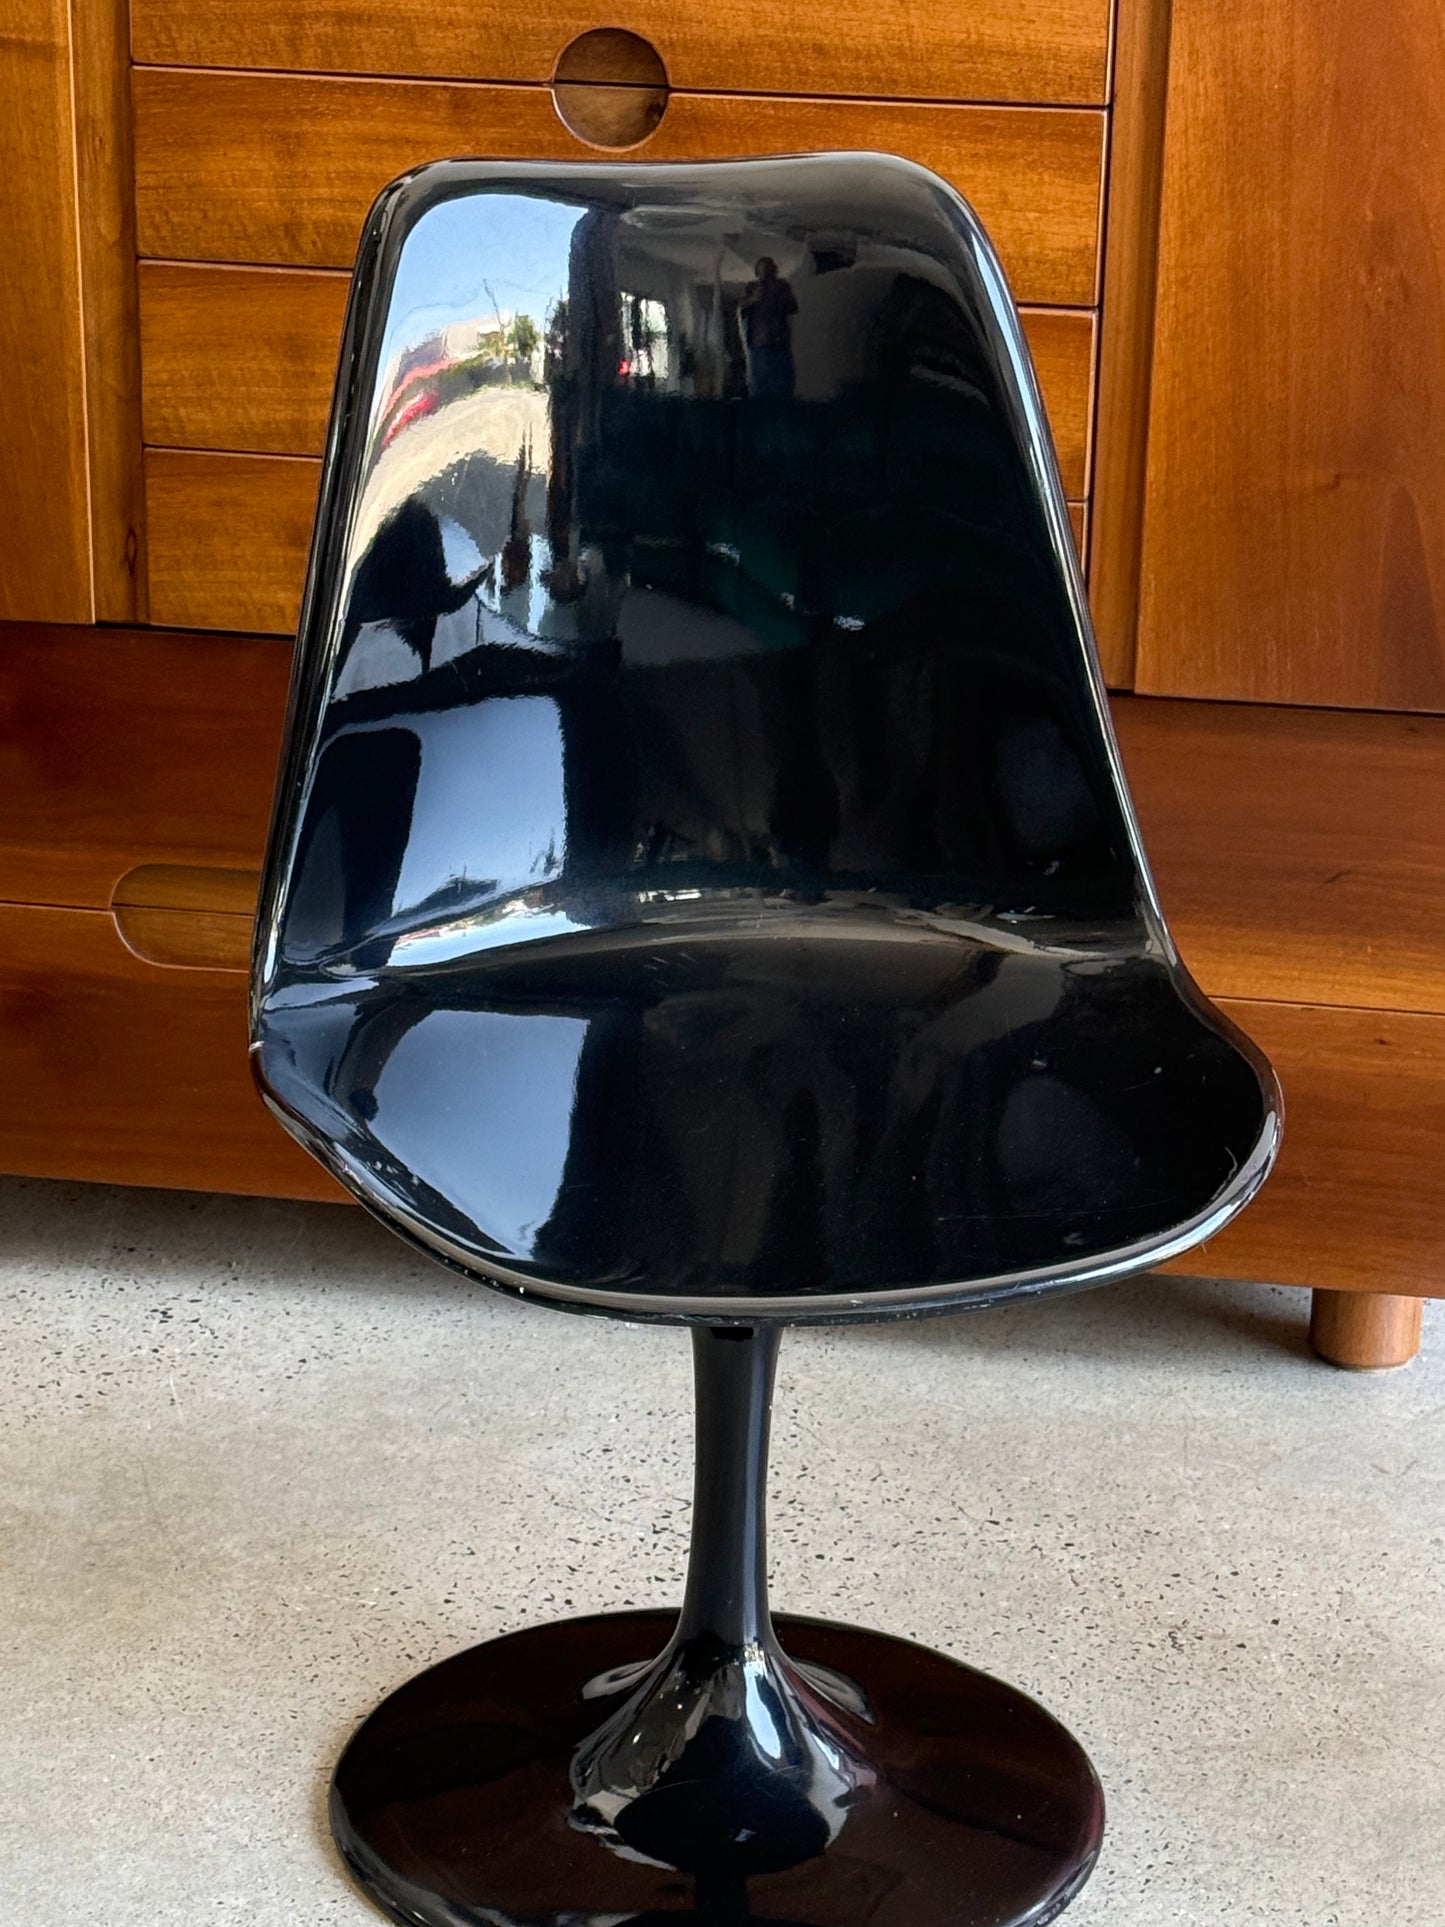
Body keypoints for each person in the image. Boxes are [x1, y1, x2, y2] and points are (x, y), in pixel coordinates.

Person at [740, 256, 798, 399]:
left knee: (781, 384)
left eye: (768, 268)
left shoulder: (782, 286)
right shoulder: (752, 287)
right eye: (762, 268)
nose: (765, 272)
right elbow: (742, 308)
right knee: (760, 384)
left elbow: (792, 307)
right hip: (759, 343)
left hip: (778, 342)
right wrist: (753, 299)